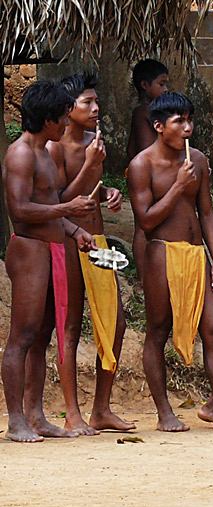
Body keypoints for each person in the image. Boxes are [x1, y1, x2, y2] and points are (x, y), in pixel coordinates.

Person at [127, 92, 213, 433]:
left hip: (197, 255)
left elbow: (207, 212)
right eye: (178, 122)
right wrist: (178, 186)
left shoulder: (196, 158)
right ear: (158, 126)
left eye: (189, 120)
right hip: (161, 254)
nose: (187, 128)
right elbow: (146, 220)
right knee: (158, 330)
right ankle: (165, 411)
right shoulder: (142, 165)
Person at [1, 80, 98, 442]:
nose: (64, 122)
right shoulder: (22, 153)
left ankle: (36, 415)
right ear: (47, 119)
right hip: (29, 249)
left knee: (42, 336)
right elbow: (20, 209)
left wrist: (73, 230)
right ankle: (16, 421)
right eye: (60, 117)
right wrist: (67, 209)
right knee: (22, 337)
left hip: (50, 247)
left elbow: (48, 202)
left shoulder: (44, 151)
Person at [46, 73, 134, 435]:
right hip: (67, 238)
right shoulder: (55, 148)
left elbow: (92, 191)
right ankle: (71, 412)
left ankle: (102, 408)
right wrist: (88, 165)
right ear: (69, 108)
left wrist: (109, 192)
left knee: (115, 323)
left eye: (97, 101)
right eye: (88, 103)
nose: (96, 109)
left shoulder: (93, 141)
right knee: (69, 325)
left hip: (95, 238)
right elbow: (58, 203)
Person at [126, 59, 169, 281]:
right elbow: (144, 148)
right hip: (145, 175)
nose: (165, 89)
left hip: (145, 173)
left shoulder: (146, 111)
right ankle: (144, 279)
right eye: (161, 84)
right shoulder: (144, 112)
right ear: (145, 85)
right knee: (143, 227)